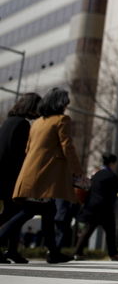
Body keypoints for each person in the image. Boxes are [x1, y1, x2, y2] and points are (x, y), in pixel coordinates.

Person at [1, 88, 85, 264]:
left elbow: (28, 149)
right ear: (61, 104)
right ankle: (52, 253)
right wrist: (78, 171)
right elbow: (67, 146)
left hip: (30, 172)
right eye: (65, 103)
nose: (67, 107)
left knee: (48, 211)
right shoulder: (62, 120)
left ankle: (53, 252)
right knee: (30, 211)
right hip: (45, 175)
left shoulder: (37, 122)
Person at [0, 92, 41, 264]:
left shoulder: (8, 122)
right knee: (15, 212)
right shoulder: (23, 125)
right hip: (10, 175)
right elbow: (21, 155)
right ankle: (11, 249)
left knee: (13, 210)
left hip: (2, 172)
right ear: (32, 107)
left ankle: (13, 250)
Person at [73, 153, 118, 260]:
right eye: (115, 163)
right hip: (105, 207)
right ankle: (113, 254)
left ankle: (77, 252)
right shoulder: (111, 175)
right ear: (112, 163)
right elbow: (117, 189)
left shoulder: (96, 174)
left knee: (88, 229)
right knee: (110, 231)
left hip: (92, 206)